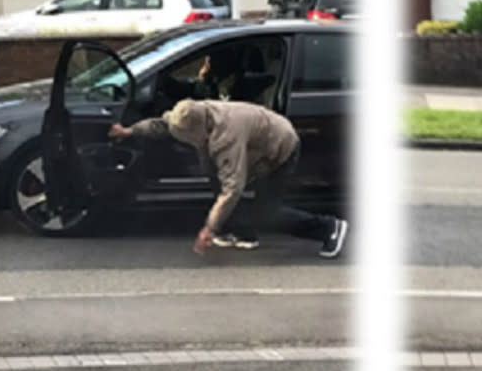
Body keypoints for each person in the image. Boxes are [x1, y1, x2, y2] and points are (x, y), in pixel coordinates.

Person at [107, 99, 348, 258]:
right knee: (215, 178)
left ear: (201, 133)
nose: (183, 141)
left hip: (279, 147)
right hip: (256, 142)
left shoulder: (226, 137)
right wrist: (129, 131)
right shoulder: (192, 112)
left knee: (266, 212)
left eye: (187, 138)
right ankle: (243, 232)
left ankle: (328, 228)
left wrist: (208, 228)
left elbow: (233, 186)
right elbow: (162, 125)